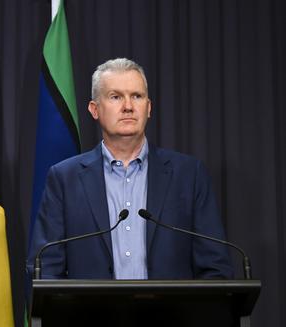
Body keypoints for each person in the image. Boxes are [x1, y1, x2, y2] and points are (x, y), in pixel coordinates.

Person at [29, 58, 233, 280]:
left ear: (149, 108)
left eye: (136, 96)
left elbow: (215, 268)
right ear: (94, 109)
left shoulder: (189, 175)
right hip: (90, 315)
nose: (128, 106)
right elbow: (44, 269)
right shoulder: (64, 179)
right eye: (115, 97)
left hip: (172, 315)